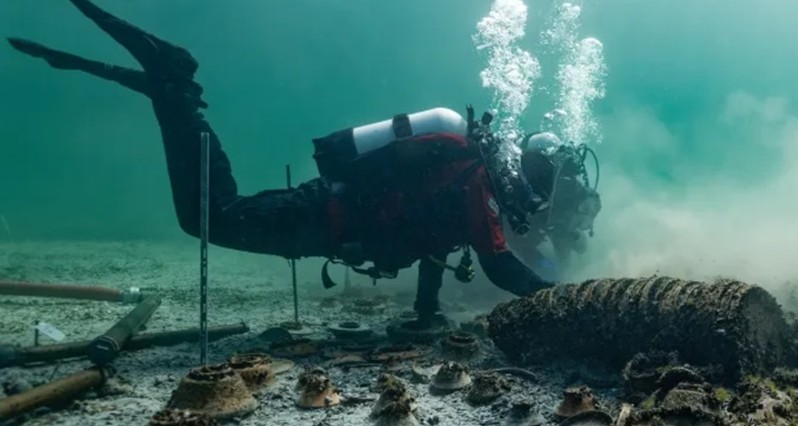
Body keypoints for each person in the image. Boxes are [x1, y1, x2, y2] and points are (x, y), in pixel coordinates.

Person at [8, 0, 568, 330]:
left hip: (329, 219)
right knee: (209, 217)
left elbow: (434, 239)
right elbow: (498, 267)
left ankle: (166, 94)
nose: (539, 194)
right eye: (545, 181)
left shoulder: (464, 175)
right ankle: (175, 86)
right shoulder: (479, 181)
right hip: (322, 217)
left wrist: (426, 311)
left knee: (211, 216)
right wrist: (566, 302)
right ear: (530, 170)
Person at [503, 132, 603, 280]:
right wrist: (547, 268)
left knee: (574, 240)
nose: (583, 226)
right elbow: (518, 243)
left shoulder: (565, 193)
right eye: (582, 222)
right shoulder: (539, 198)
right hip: (524, 223)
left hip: (552, 216)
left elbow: (562, 236)